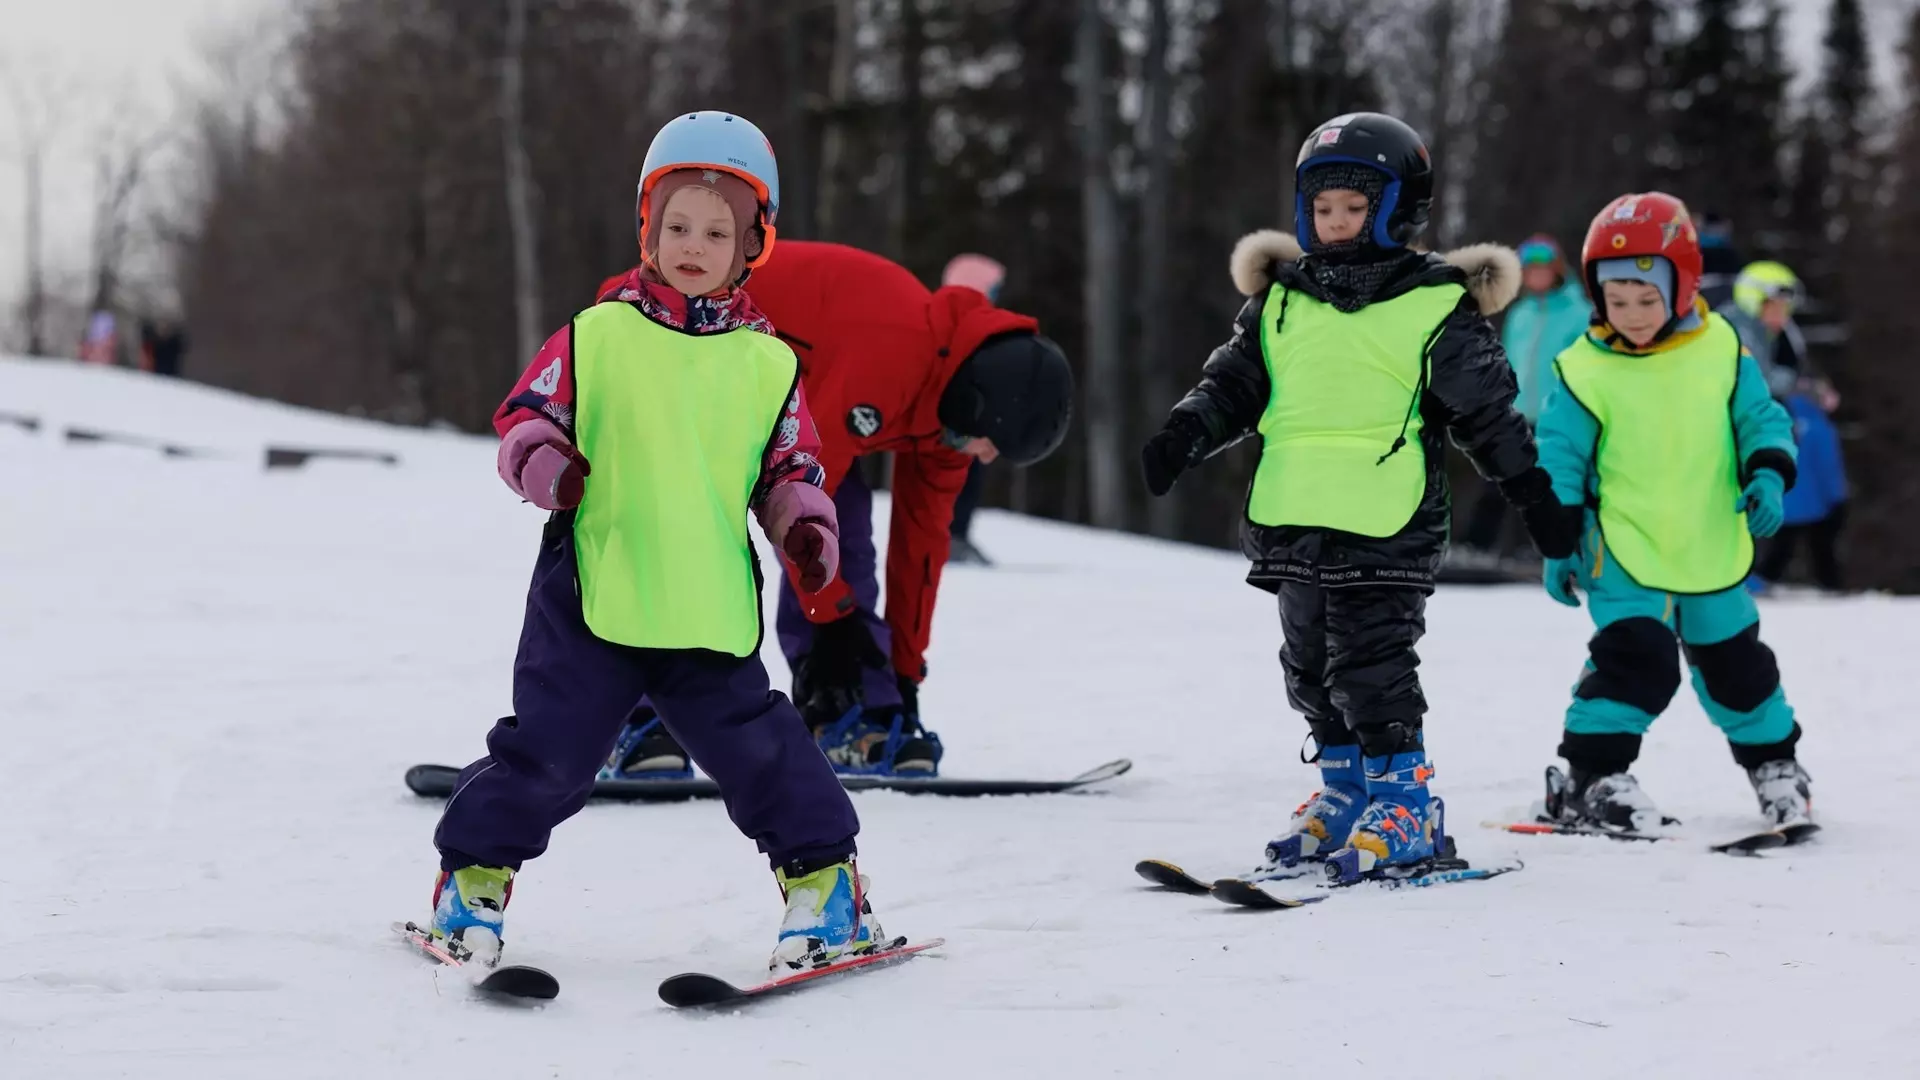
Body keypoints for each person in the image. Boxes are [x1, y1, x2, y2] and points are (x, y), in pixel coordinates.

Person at [428, 111, 891, 976]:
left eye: (717, 231)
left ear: (753, 243)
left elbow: (791, 466)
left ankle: (828, 890)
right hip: (593, 595)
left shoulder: (767, 363)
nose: (693, 243)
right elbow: (525, 420)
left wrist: (806, 530)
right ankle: (472, 881)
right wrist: (549, 468)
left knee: (763, 753)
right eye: (676, 224)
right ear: (647, 226)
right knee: (551, 752)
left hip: (704, 604)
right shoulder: (597, 333)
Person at [1138, 112, 1572, 883]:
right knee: (1307, 665)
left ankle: (1406, 803)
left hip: (1387, 519)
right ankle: (1346, 790)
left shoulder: (1436, 301)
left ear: (1398, 209)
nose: (1335, 223)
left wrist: (1535, 498)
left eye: (1354, 207)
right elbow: (1235, 383)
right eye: (1323, 208)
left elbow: (1489, 417)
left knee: (1371, 666)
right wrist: (1184, 432)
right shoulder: (1282, 300)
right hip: (1294, 512)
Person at [595, 242, 1074, 779]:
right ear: (980, 402)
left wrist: (904, 670)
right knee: (685, 533)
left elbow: (922, 545)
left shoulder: (946, 414)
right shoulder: (894, 352)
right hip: (665, 335)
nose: (987, 456)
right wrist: (831, 620)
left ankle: (852, 711)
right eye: (992, 442)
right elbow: (797, 496)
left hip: (767, 393)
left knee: (843, 541)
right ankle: (629, 717)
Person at [1531, 191, 1813, 836]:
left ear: (1682, 287)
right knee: (1638, 659)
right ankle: (1589, 776)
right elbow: (1560, 460)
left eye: (1646, 299)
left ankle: (1776, 766)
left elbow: (1760, 419)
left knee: (1738, 667)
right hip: (1621, 548)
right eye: (1615, 301)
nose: (1630, 314)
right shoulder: (1581, 369)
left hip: (1709, 541)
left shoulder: (1721, 349)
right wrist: (1557, 541)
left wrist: (1767, 475)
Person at [1458, 233, 1590, 559]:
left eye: (1543, 269)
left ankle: (1542, 549)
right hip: (1517, 412)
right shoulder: (1521, 314)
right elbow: (1506, 359)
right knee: (1498, 478)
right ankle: (1477, 546)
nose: (1536, 275)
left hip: (1557, 415)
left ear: (1557, 270)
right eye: (1529, 269)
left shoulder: (1579, 313)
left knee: (1548, 484)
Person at [941, 253, 1010, 567]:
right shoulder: (959, 325)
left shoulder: (981, 325)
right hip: (953, 423)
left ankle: (958, 535)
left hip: (971, 421)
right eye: (994, 289)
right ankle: (950, 537)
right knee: (956, 477)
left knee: (972, 476)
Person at [1754, 378, 1849, 592]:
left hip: (1783, 499)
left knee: (1779, 550)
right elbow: (1828, 467)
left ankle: (1757, 586)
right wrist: (1838, 498)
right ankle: (1831, 587)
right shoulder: (1820, 427)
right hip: (1816, 503)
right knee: (1822, 549)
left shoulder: (1779, 422)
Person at [1717, 260, 1810, 399]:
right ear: (1753, 302)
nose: (1783, 319)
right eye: (1777, 309)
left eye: (1787, 311)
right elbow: (1756, 383)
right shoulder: (1739, 333)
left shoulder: (1756, 332)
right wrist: (1799, 384)